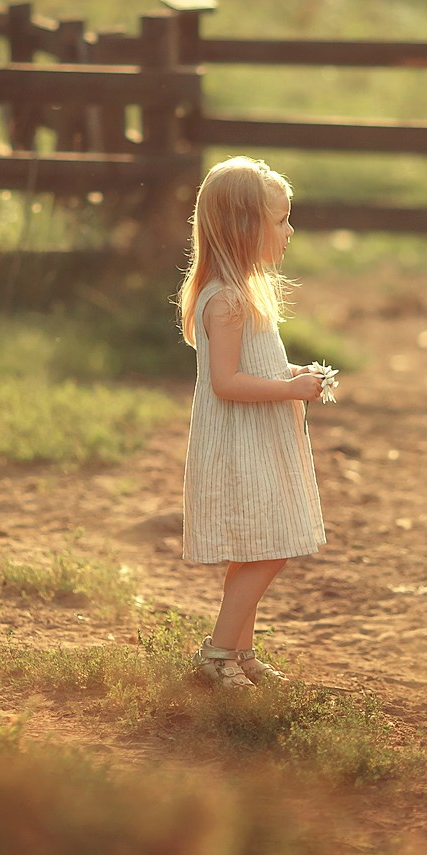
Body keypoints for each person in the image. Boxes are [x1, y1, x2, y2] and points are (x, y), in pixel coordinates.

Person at [177, 156, 330, 690]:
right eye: (281, 219)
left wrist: (289, 372)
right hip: (241, 444)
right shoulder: (227, 301)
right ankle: (217, 653)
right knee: (269, 546)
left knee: (259, 545)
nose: (289, 230)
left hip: (258, 438)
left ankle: (239, 651)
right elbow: (226, 383)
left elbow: (249, 368)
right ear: (246, 226)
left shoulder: (242, 294)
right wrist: (288, 389)